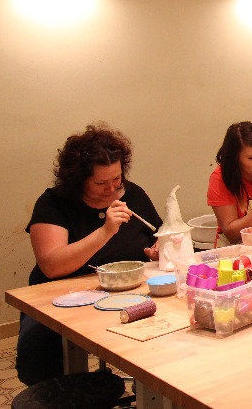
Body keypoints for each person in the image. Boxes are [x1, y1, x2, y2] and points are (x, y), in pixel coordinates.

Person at [17, 123, 162, 386]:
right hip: (60, 301)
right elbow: (51, 265)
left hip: (125, 296)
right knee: (40, 356)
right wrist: (105, 231)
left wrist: (158, 249)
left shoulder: (133, 195)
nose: (111, 189)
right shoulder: (53, 203)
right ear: (78, 179)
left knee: (163, 334)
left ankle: (152, 392)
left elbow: (158, 235)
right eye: (100, 183)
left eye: (117, 179)